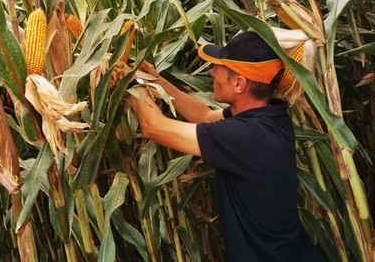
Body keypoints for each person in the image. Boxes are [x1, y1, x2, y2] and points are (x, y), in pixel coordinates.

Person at [127, 31, 320, 262]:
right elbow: (205, 116)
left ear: (238, 83)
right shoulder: (270, 116)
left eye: (218, 67)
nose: (211, 72)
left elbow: (154, 127)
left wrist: (129, 84)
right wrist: (158, 82)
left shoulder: (246, 137)